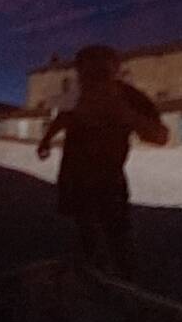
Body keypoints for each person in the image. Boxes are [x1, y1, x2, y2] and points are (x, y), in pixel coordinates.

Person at [34, 41, 169, 271]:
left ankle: (126, 289)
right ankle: (95, 277)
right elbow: (62, 118)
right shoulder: (75, 95)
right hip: (75, 179)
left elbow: (161, 136)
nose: (93, 79)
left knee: (118, 238)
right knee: (86, 232)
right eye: (86, 71)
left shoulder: (128, 96)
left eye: (101, 70)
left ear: (115, 70)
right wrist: (46, 140)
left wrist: (126, 114)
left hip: (109, 181)